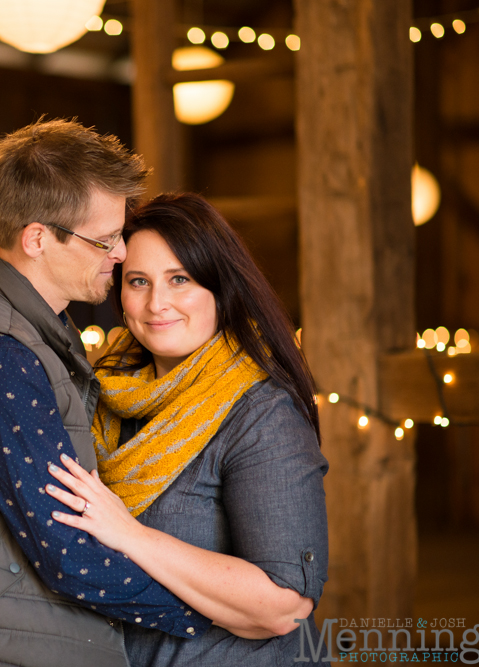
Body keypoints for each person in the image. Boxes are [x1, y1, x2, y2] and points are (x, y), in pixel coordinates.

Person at [0, 121, 212, 667]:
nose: (120, 254)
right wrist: (215, 615)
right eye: (104, 239)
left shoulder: (41, 335)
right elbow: (69, 552)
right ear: (37, 238)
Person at [44, 193, 330, 665]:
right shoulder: (105, 396)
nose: (157, 303)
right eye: (138, 281)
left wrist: (128, 533)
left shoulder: (262, 414)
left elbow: (285, 606)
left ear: (221, 288)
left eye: (180, 279)